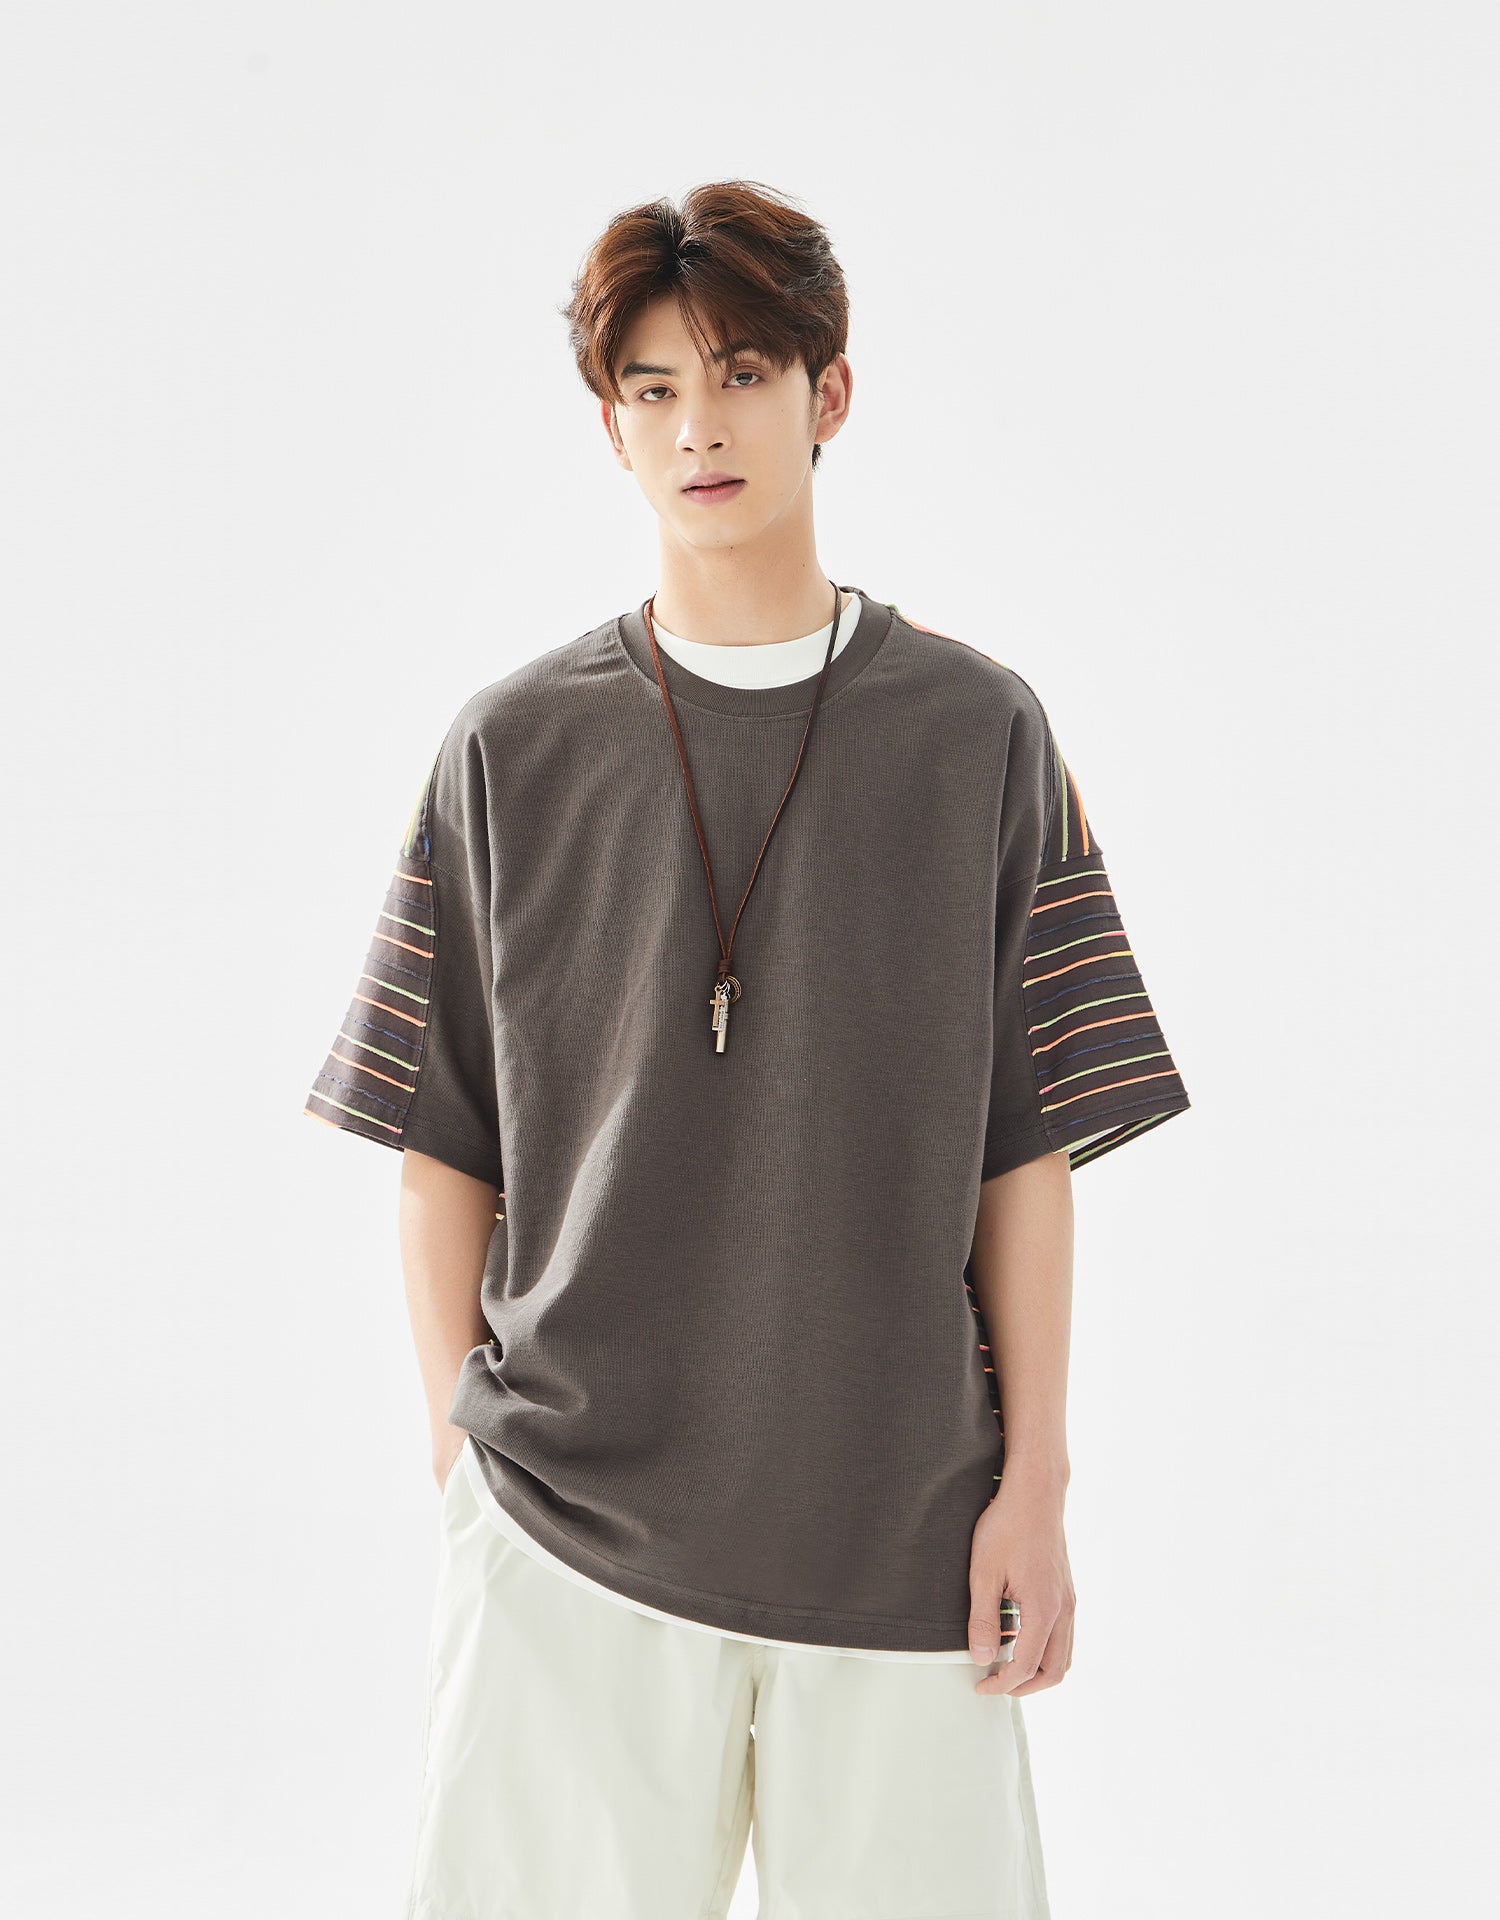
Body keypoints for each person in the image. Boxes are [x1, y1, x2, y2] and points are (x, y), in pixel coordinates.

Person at [302, 178, 1190, 1920]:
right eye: (651, 389)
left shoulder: (978, 734)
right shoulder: (509, 750)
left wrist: (1036, 1483)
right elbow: (440, 1149)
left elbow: (1026, 1152)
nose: (697, 428)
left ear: (828, 392)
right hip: (569, 1541)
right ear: (611, 427)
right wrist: (463, 1469)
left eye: (743, 374)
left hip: (903, 1531)